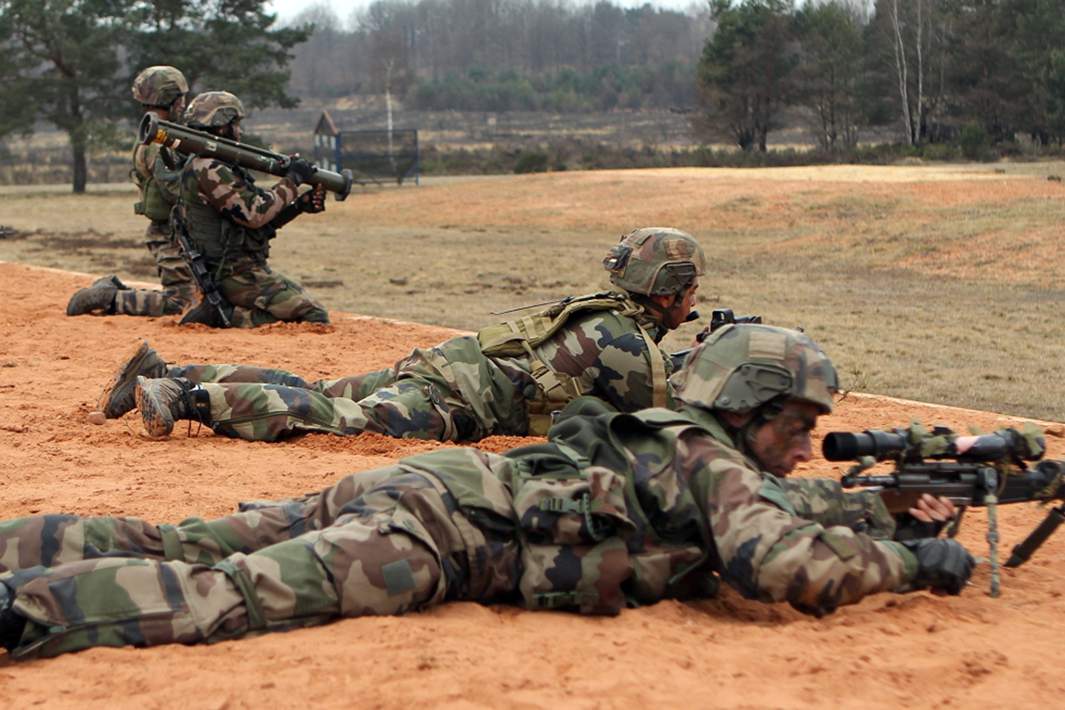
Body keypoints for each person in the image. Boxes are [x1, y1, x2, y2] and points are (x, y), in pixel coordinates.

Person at [0, 324, 987, 660]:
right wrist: (912, 560)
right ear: (748, 405)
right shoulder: (716, 460)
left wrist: (883, 506)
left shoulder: (683, 446)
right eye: (798, 423)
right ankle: (27, 610)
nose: (808, 446)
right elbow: (777, 561)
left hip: (417, 485)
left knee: (192, 542)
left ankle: (18, 547)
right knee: (235, 594)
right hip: (432, 535)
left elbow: (763, 518)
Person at [98, 227, 706, 442]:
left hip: (445, 365)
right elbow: (665, 422)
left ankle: (167, 371)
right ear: (668, 287)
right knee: (333, 416)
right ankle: (188, 399)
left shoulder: (602, 314)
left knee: (319, 388)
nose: (695, 300)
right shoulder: (630, 345)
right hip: (452, 401)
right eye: (692, 288)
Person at [169, 90, 330, 328]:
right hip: (233, 275)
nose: (239, 131)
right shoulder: (209, 168)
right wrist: (293, 181)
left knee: (302, 301)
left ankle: (228, 312)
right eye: (236, 124)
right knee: (313, 313)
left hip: (240, 270)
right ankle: (232, 317)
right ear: (222, 126)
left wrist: (298, 206)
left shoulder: (213, 164)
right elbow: (254, 214)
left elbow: (256, 223)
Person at [66, 66, 197, 318]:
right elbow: (175, 191)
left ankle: (112, 290)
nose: (184, 104)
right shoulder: (159, 142)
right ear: (170, 99)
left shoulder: (157, 133)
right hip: (171, 235)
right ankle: (110, 299)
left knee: (197, 296)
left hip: (175, 232)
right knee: (183, 304)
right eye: (180, 98)